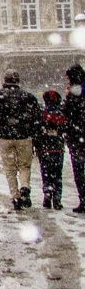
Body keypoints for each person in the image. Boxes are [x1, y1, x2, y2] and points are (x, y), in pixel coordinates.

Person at [0, 70, 43, 211]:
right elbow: (37, 117)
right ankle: (25, 186)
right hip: (24, 137)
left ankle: (15, 196)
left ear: (5, 80)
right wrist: (32, 132)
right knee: (24, 165)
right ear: (18, 80)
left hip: (5, 137)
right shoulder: (28, 97)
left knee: (9, 168)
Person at [34, 90, 67, 210]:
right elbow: (65, 129)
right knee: (57, 173)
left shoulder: (42, 113)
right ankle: (57, 198)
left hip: (44, 147)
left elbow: (37, 129)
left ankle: (47, 192)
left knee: (46, 172)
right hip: (58, 148)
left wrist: (36, 144)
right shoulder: (61, 113)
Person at [62, 64, 85, 213]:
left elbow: (68, 114)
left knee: (79, 169)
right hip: (78, 136)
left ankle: (83, 199)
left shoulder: (74, 92)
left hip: (77, 137)